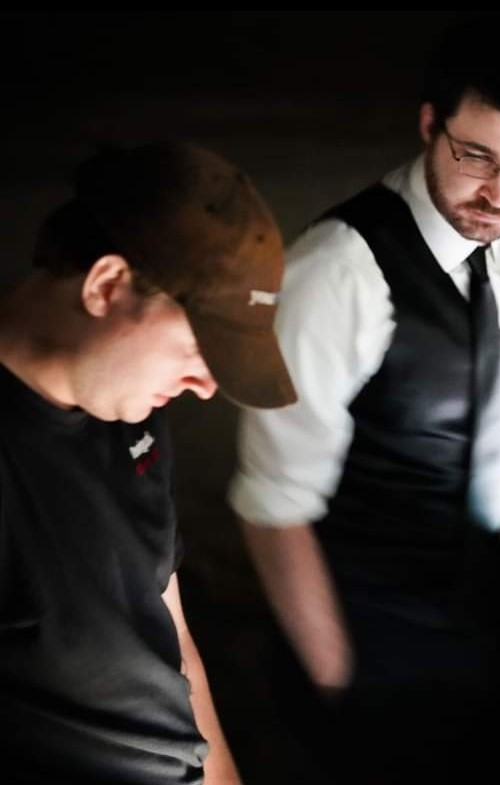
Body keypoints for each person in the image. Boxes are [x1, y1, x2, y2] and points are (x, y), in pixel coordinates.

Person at [229, 18, 500, 785]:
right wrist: (339, 678)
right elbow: (273, 503)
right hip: (370, 626)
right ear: (430, 125)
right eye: (478, 158)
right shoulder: (334, 272)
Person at [0, 141, 296, 784]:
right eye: (197, 346)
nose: (207, 385)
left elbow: (173, 648)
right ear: (107, 285)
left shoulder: (134, 418)